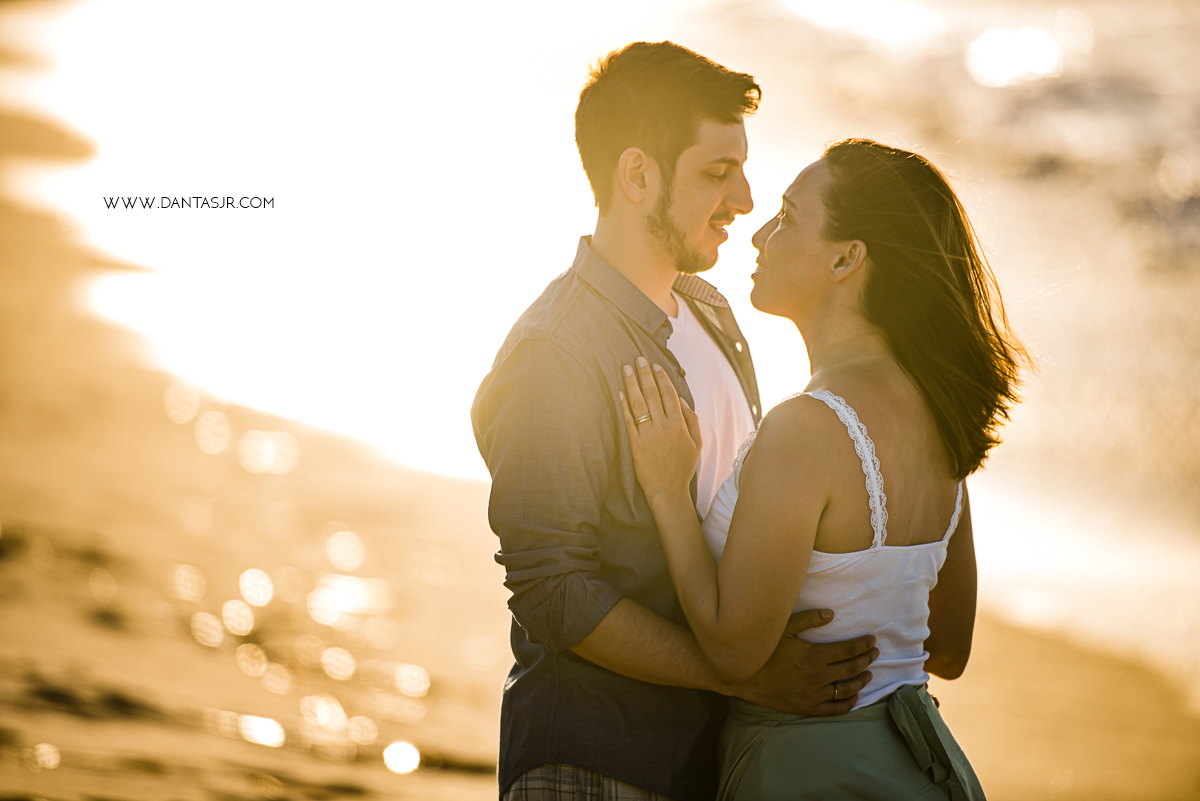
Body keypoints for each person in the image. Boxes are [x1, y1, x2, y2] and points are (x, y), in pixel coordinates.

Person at [472, 44, 879, 801]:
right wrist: (743, 669)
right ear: (637, 176)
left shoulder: (715, 313)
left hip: (714, 763)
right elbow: (551, 589)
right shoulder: (554, 354)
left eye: (744, 169)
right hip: (592, 764)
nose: (747, 199)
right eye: (717, 172)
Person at [618, 139, 1027, 799]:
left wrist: (668, 490)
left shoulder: (806, 430)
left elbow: (731, 653)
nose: (758, 234)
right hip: (921, 768)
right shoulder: (940, 421)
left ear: (846, 257)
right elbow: (948, 647)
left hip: (804, 772)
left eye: (787, 215)